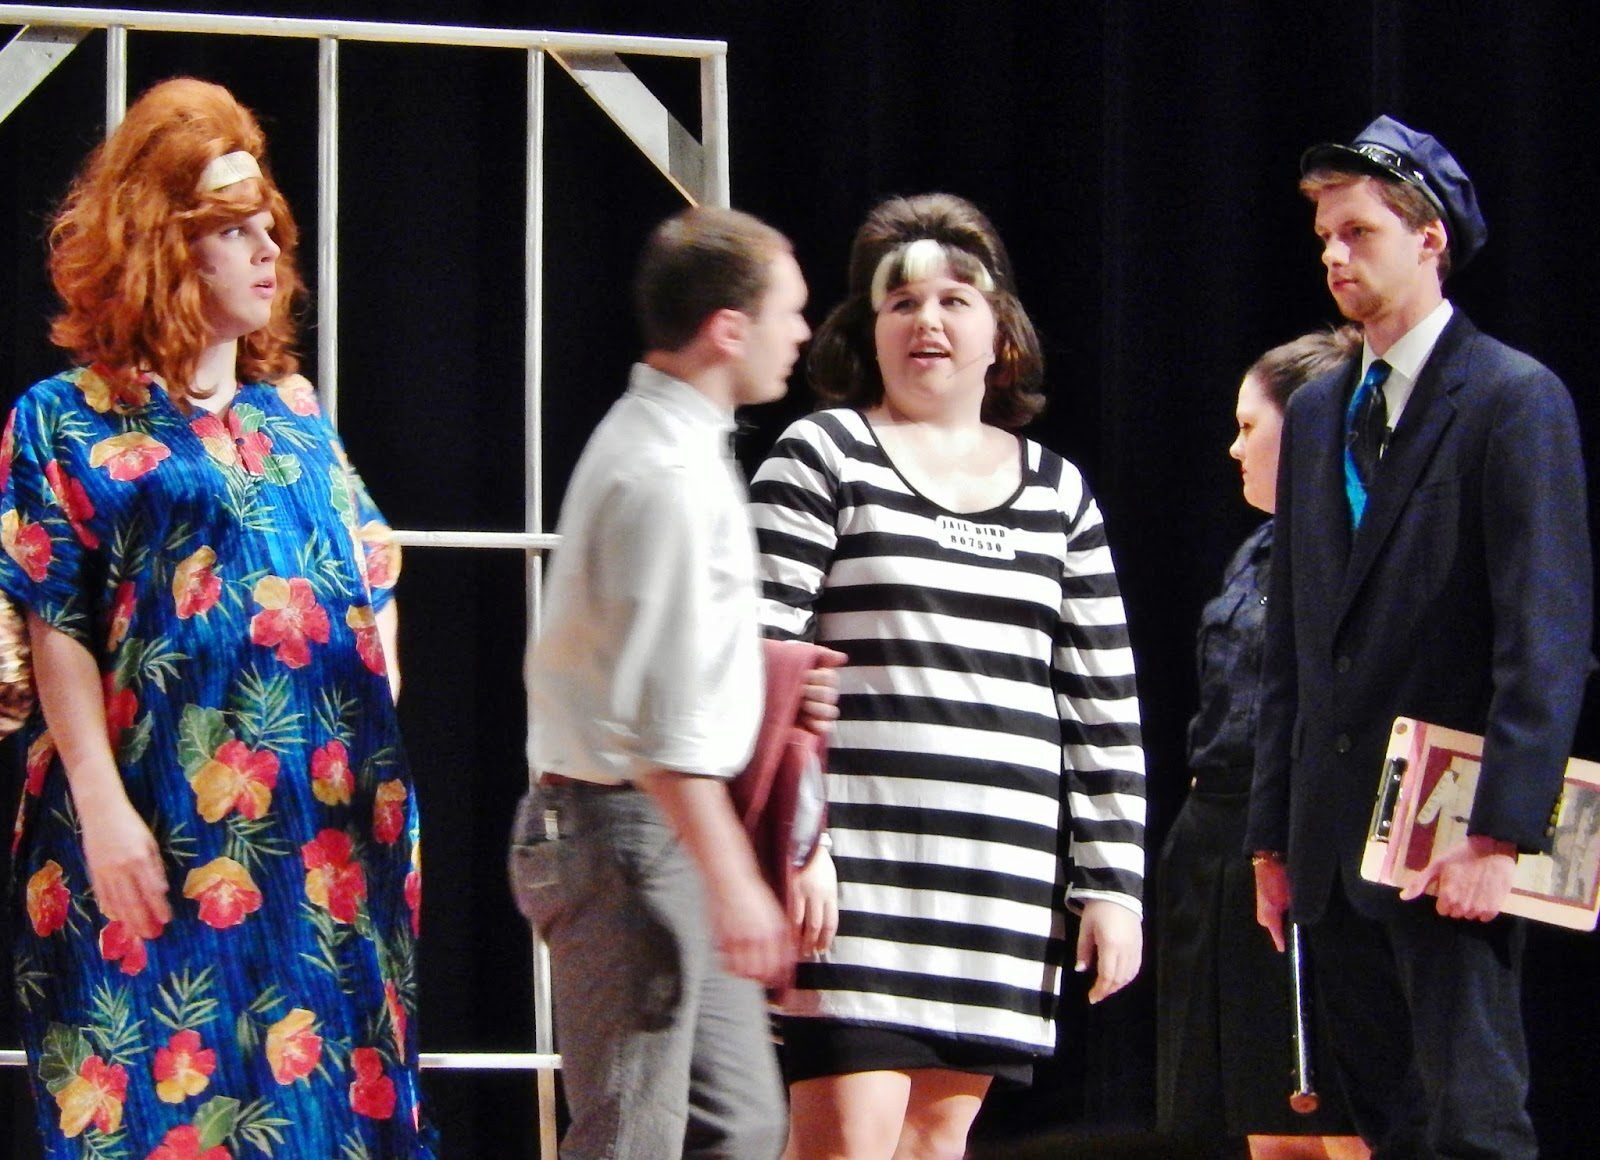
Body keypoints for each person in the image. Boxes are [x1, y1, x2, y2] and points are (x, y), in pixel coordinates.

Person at [0, 79, 432, 1156]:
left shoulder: (295, 414)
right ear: (163, 245)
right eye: (232, 230)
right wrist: (103, 811)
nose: (266, 249)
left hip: (318, 841)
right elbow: (55, 620)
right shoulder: (64, 420)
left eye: (265, 225)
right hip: (156, 825)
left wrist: (369, 709)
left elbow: (371, 570)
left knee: (327, 1113)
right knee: (156, 1111)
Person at [750, 192, 1145, 1160]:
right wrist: (798, 842)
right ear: (868, 332)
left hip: (998, 889)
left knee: (935, 1145)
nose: (927, 320)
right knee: (845, 1143)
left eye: (954, 300)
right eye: (902, 303)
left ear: (1000, 333)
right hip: (854, 883)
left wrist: (1112, 887)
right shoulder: (824, 453)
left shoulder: (1058, 492)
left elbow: (1100, 699)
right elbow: (756, 660)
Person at [1246, 115, 1594, 1157]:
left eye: (1358, 232)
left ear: (1429, 237)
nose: (1333, 255)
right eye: (1324, 237)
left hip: (1447, 836)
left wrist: (1500, 833)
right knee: (1385, 1122)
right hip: (1331, 838)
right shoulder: (1319, 412)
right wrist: (1273, 834)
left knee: (1471, 1121)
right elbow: (1293, 640)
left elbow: (1544, 638)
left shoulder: (1511, 398)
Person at [511, 205, 829, 1159]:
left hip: (660, 829)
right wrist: (736, 883)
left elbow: (665, 663)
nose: (802, 332)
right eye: (788, 311)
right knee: (633, 1135)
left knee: (739, 1125)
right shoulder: (664, 473)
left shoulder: (684, 445)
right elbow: (657, 729)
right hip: (624, 830)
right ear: (728, 328)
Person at [1155, 327, 1369, 1160]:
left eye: (1251, 426)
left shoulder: (1361, 545)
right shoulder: (1259, 548)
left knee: (1336, 1110)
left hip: (1303, 840)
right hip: (1222, 842)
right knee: (1263, 1116)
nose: (1234, 447)